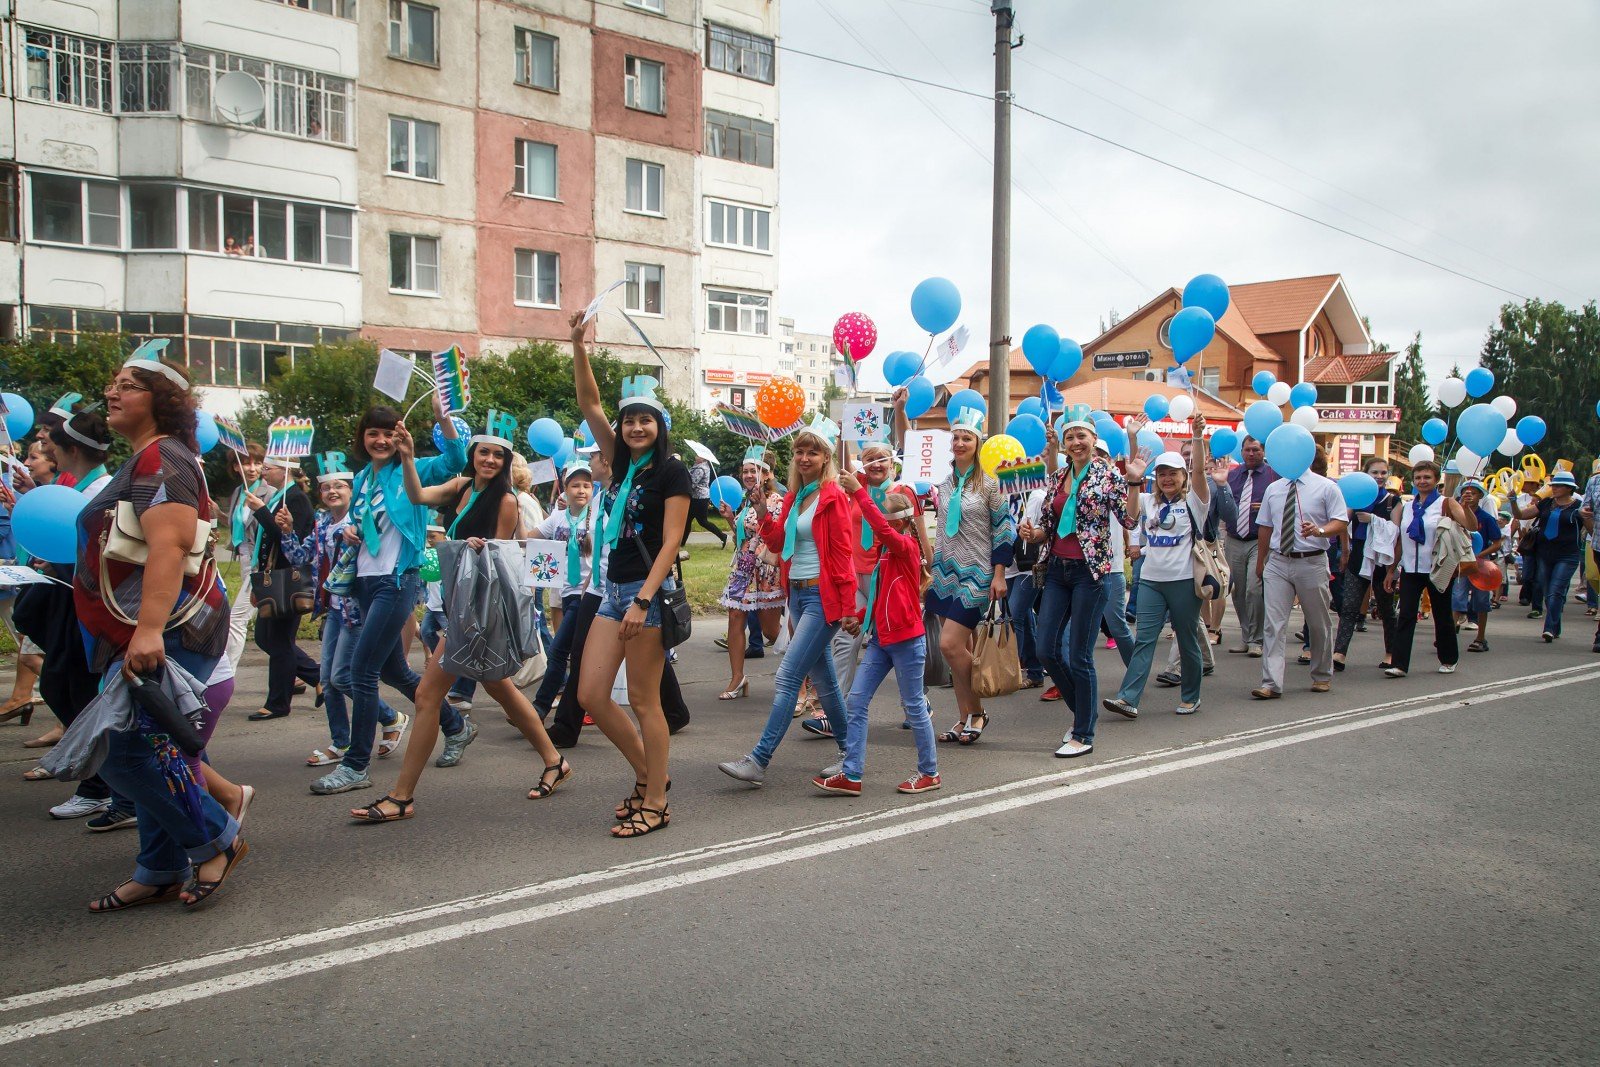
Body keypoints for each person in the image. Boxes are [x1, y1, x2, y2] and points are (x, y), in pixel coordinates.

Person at [75, 353, 245, 910]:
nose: (112, 392)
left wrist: (147, 630)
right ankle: (158, 868)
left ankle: (216, 837)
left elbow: (169, 546)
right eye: (113, 383)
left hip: (171, 628)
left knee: (122, 751)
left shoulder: (163, 456)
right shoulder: (149, 457)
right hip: (144, 629)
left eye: (128, 385)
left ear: (162, 401)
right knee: (153, 746)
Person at [350, 425, 570, 822]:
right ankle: (554, 760)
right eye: (483, 453)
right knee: (499, 688)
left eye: (497, 455)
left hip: (476, 614)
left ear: (505, 463)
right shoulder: (463, 486)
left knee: (426, 698)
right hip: (460, 607)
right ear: (473, 455)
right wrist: (407, 454)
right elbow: (417, 495)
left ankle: (402, 796)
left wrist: (477, 548)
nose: (489, 460)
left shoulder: (506, 501)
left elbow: (499, 560)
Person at [309, 397, 469, 796]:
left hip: (396, 582)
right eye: (373, 433)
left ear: (400, 437)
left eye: (387, 433)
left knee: (360, 672)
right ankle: (455, 725)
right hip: (363, 581)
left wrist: (442, 419)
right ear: (363, 438)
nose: (380, 440)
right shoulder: (363, 478)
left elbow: (455, 460)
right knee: (394, 671)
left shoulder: (412, 468)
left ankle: (355, 764)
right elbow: (370, 522)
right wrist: (354, 531)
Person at [569, 311, 689, 837]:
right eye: (630, 420)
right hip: (611, 591)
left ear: (660, 425)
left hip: (648, 594)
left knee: (643, 700)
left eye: (647, 419)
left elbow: (671, 542)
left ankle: (657, 800)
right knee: (590, 695)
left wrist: (642, 600)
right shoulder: (617, 463)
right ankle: (648, 772)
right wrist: (578, 344)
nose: (636, 427)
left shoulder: (671, 470)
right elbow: (589, 403)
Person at [719, 415, 856, 785]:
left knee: (787, 676)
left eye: (813, 452)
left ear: (826, 457)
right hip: (796, 594)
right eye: (799, 451)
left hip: (821, 597)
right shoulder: (797, 495)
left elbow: (843, 556)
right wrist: (763, 511)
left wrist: (846, 608)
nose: (804, 457)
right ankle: (850, 754)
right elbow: (779, 544)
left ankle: (758, 759)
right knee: (825, 682)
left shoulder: (833, 497)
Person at [12, 411, 117, 818]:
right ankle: (101, 782)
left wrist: (55, 562)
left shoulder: (101, 489)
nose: (45, 448)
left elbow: (95, 549)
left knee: (74, 690)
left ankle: (101, 784)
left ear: (71, 449)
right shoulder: (74, 485)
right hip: (67, 599)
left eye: (52, 444)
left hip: (86, 606)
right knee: (61, 686)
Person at [813, 468, 938, 796]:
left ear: (898, 523)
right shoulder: (885, 554)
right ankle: (852, 774)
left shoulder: (906, 547)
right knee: (856, 701)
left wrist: (858, 492)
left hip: (908, 641)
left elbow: (879, 523)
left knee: (914, 706)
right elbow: (880, 598)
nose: (874, 524)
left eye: (884, 519)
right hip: (882, 640)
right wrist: (857, 617)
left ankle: (930, 773)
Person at [275, 466, 409, 766]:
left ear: (352, 491)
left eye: (340, 486)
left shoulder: (361, 522)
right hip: (332, 610)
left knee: (342, 677)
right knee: (327, 680)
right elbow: (300, 558)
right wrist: (286, 532)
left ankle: (391, 717)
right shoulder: (322, 523)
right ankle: (341, 742)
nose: (332, 491)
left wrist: (355, 536)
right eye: (326, 487)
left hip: (356, 610)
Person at [1023, 404, 1129, 758]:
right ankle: (1084, 711)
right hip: (1056, 570)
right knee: (1045, 649)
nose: (1076, 441)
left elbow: (1128, 521)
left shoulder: (1109, 475)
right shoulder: (1056, 477)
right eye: (1070, 436)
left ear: (1093, 440)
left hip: (1090, 572)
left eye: (1081, 435)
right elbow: (1050, 527)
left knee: (1079, 654)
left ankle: (1083, 732)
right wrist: (1034, 533)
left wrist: (1135, 481)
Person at [1103, 418, 1210, 719]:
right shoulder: (1149, 500)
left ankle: (1191, 695)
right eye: (1161, 474)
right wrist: (1131, 437)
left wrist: (1198, 436)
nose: (1166, 479)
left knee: (1187, 640)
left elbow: (1200, 471)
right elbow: (1133, 489)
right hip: (1150, 580)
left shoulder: (1195, 501)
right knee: (1144, 641)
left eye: (1172, 474)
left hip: (1185, 581)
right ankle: (1128, 698)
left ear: (1182, 476)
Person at [925, 408, 1013, 745]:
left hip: (977, 574)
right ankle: (964, 717)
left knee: (949, 644)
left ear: (978, 443)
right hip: (946, 573)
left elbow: (1004, 531)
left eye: (967, 438)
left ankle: (977, 712)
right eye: (957, 437)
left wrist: (999, 574)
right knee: (956, 650)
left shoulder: (991, 485)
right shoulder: (944, 484)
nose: (960, 443)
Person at [1253, 447, 1349, 697]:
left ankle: (1321, 674)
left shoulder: (1326, 487)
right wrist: (1261, 561)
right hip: (1278, 560)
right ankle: (1271, 683)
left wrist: (1319, 531)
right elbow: (1265, 526)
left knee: (1318, 622)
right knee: (1273, 624)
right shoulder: (1274, 488)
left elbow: (1340, 522)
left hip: (1311, 561)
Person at [1383, 460, 1475, 677]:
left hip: (1438, 567)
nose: (1422, 481)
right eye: (1418, 477)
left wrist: (1468, 508)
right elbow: (1400, 541)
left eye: (1427, 477)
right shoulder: (1407, 507)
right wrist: (1391, 570)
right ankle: (1399, 664)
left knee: (1442, 615)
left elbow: (1471, 526)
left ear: (1436, 480)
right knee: (1405, 615)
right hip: (1411, 569)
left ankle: (1449, 658)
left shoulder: (1447, 503)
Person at [245, 456, 319, 721]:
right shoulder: (280, 496)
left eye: (267, 468)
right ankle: (318, 676)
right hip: (273, 576)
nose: (263, 472)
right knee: (266, 637)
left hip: (289, 578)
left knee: (279, 642)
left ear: (284, 469)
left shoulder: (296, 498)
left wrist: (261, 511)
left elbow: (291, 541)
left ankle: (278, 703)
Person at [530, 457, 599, 720]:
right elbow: (530, 537)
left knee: (559, 650)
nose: (581, 490)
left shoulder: (597, 516)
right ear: (565, 490)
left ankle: (539, 708)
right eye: (575, 485)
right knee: (576, 653)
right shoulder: (558, 517)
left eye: (587, 485)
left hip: (589, 593)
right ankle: (582, 706)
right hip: (567, 592)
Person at [714, 447, 785, 701]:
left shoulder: (776, 501)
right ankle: (737, 677)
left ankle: (804, 672)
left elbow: (773, 537)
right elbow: (743, 537)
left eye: (753, 471)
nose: (747, 475)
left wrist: (761, 509)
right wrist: (731, 519)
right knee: (735, 617)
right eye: (744, 471)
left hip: (765, 568)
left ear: (766, 474)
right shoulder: (746, 501)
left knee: (771, 631)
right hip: (743, 567)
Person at [1333, 457, 1401, 671]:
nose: (1380, 477)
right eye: (1375, 473)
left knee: (1386, 608)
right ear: (1366, 475)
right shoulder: (1357, 498)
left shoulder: (1393, 501)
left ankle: (1391, 652)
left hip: (1382, 559)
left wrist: (1373, 520)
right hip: (1359, 557)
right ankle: (1339, 653)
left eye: (1383, 473)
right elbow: (1342, 521)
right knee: (1349, 608)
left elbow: (1396, 531)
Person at [1512, 470, 1593, 643]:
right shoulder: (1546, 503)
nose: (1554, 488)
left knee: (1555, 590)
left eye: (1559, 485)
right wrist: (1512, 501)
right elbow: (1520, 515)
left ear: (1569, 488)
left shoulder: (1578, 506)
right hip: (1544, 554)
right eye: (1553, 485)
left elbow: (1591, 529)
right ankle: (1555, 626)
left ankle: (1548, 628)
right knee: (1549, 591)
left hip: (1567, 556)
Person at [1224, 435, 1278, 657]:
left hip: (1259, 539)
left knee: (1254, 590)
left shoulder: (1274, 475)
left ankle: (1258, 639)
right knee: (1238, 591)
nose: (1251, 454)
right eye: (1247, 450)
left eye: (1255, 450)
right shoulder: (1234, 475)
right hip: (1234, 538)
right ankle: (1246, 636)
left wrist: (1265, 506)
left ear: (1263, 451)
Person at [223, 442, 267, 670]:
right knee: (268, 623)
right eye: (247, 463)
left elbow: (267, 526)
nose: (252, 468)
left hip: (258, 564)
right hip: (243, 559)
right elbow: (239, 524)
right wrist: (219, 514)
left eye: (257, 463)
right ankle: (302, 673)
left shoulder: (267, 492)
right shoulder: (238, 493)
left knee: (237, 619)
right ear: (236, 467)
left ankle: (226, 675)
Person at [1452, 480, 1505, 653]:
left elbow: (1497, 543)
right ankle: (1449, 636)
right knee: (1457, 597)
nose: (1469, 496)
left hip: (1481, 564)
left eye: (1473, 493)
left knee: (1481, 599)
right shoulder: (1456, 515)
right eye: (1466, 493)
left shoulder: (1486, 518)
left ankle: (1480, 637)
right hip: (1461, 561)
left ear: (1480, 496)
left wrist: (1480, 555)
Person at [686, 454, 728, 548]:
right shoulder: (699, 466)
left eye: (698, 456)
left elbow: (692, 483)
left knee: (702, 521)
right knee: (688, 520)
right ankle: (682, 542)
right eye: (695, 455)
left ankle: (722, 536)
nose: (695, 457)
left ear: (703, 458)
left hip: (699, 498)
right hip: (698, 497)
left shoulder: (700, 469)